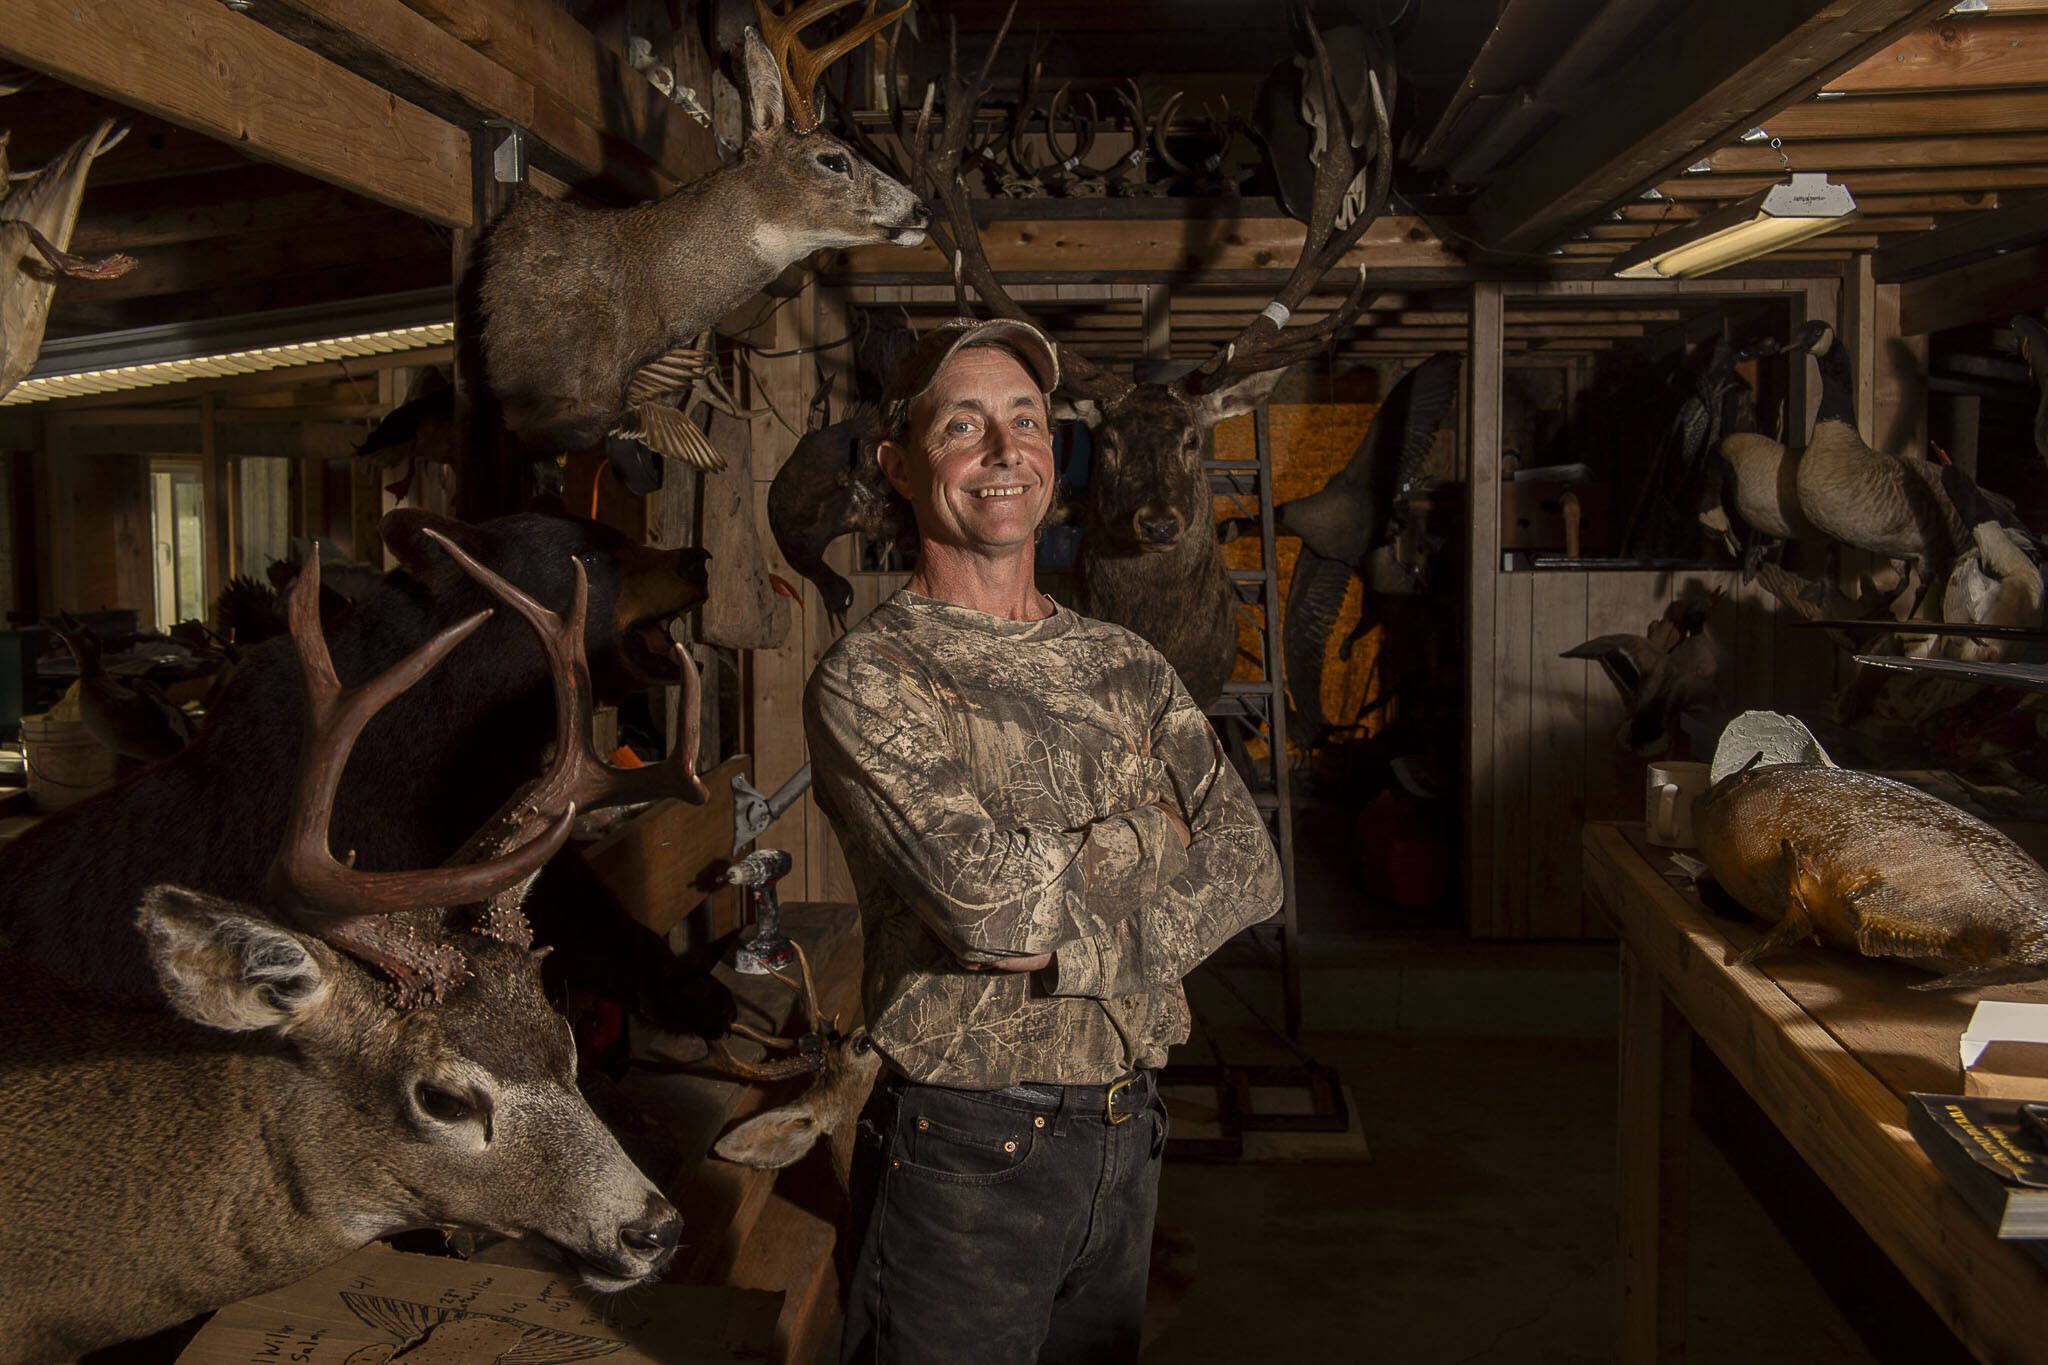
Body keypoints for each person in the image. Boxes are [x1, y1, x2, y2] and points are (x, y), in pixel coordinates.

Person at [803, 316, 1283, 1364]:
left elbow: (1249, 870)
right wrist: (1157, 832)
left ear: (1050, 457)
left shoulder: (1127, 663)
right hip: (967, 1150)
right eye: (961, 426)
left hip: (1130, 1133)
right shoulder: (877, 675)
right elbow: (993, 912)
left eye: (1023, 421)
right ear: (896, 465)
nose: (1001, 450)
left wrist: (1084, 949)